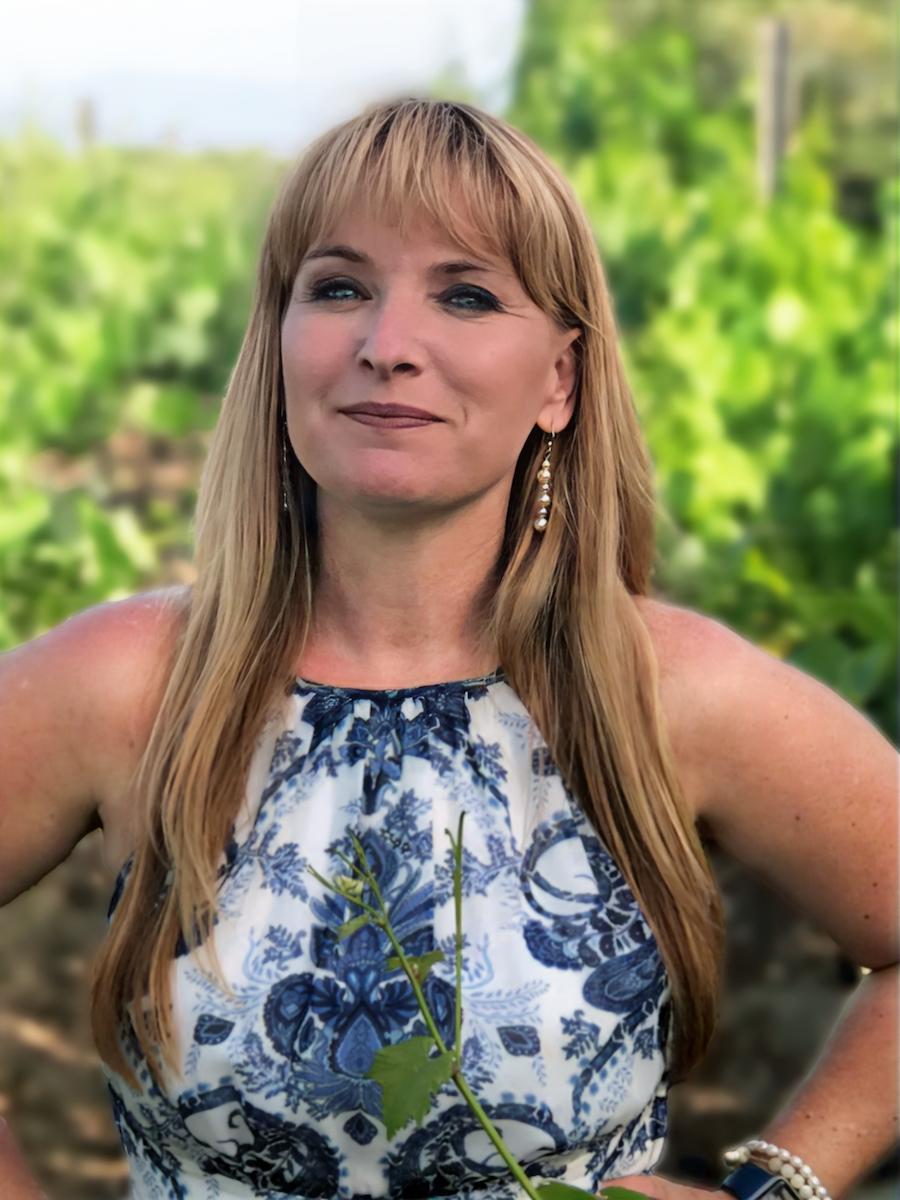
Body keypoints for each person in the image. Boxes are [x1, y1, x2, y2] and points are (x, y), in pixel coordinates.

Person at [0, 98, 895, 1200]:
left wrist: (782, 1186)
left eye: (465, 296)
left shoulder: (667, 692)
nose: (387, 347)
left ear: (561, 379)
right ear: (278, 341)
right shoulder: (133, 681)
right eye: (338, 290)